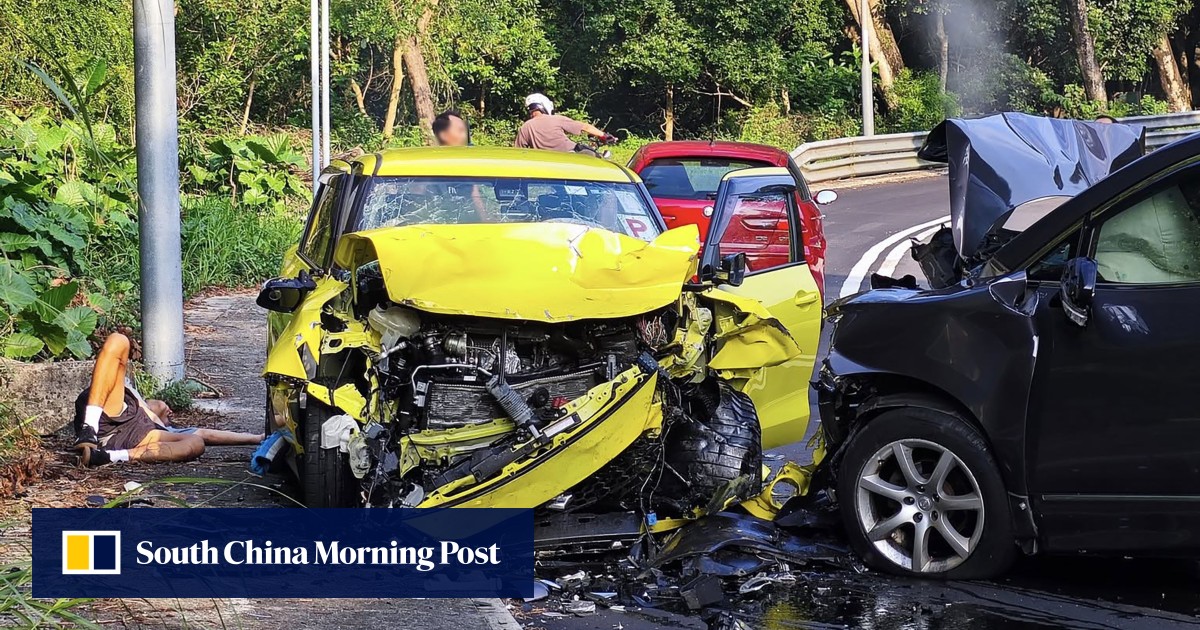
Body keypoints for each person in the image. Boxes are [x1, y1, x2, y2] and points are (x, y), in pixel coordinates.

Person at [73, 333, 264, 467]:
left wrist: (257, 438)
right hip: (108, 412)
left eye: (169, 415)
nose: (169, 410)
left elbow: (208, 434)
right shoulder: (133, 396)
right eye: (168, 409)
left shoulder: (162, 429)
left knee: (196, 443)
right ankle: (89, 428)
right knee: (118, 340)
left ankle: (105, 457)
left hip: (124, 434)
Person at [514, 93, 616, 153]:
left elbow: (518, 152)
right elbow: (585, 127)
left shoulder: (525, 127)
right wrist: (604, 136)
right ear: (544, 106)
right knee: (595, 157)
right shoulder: (556, 119)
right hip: (571, 155)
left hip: (547, 164)